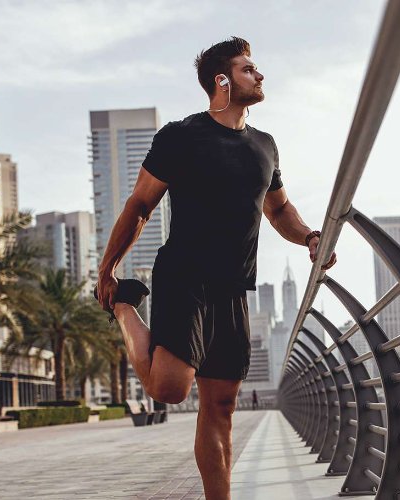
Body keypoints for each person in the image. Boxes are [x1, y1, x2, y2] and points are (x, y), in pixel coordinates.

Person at [94, 37, 337, 500]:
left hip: (233, 288)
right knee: (168, 388)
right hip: (184, 274)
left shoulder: (265, 146)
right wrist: (109, 269)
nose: (259, 75)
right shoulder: (181, 136)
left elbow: (280, 210)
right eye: (249, 69)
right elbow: (140, 205)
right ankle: (125, 305)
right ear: (222, 81)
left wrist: (309, 235)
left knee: (221, 405)